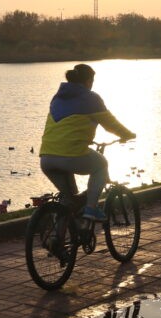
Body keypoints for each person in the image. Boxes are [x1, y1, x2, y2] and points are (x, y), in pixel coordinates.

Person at [39, 64, 136, 221]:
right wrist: (128, 134)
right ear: (88, 81)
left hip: (47, 159)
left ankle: (59, 238)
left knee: (69, 201)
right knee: (101, 165)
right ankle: (91, 208)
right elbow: (111, 124)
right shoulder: (91, 98)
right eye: (92, 80)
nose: (92, 84)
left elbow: (67, 126)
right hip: (71, 156)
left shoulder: (57, 98)